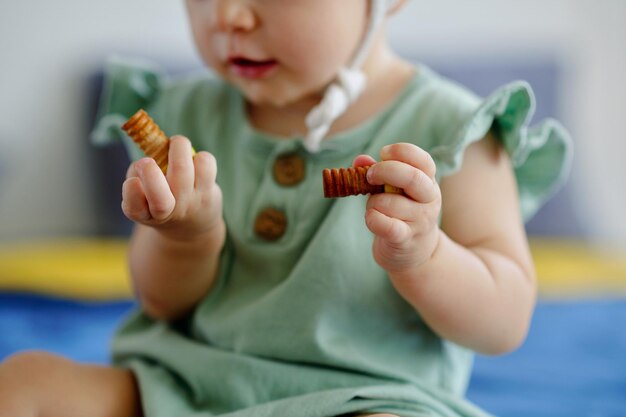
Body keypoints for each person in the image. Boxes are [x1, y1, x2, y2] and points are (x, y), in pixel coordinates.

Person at [0, 0, 572, 416]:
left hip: (361, 399)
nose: (228, 16)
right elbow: (160, 301)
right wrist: (186, 235)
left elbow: (504, 323)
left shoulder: (453, 131)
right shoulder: (187, 114)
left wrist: (426, 256)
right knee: (23, 383)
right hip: (181, 389)